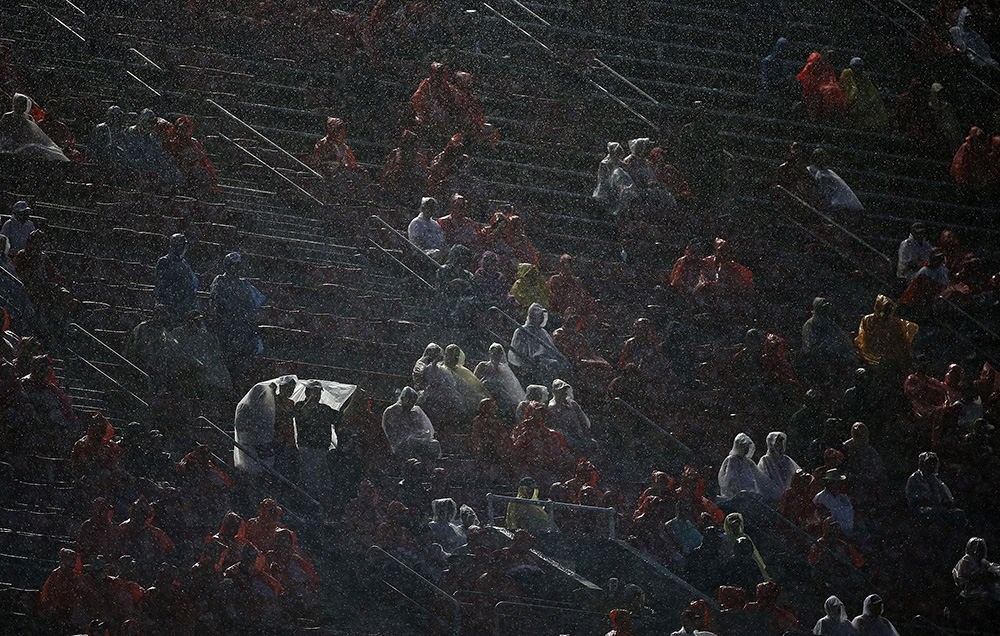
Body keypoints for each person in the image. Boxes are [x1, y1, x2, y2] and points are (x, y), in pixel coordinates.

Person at [209, 252, 265, 364]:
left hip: (241, 327)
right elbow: (216, 300)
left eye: (238, 266)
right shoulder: (220, 280)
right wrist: (231, 308)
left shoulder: (244, 283)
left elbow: (254, 303)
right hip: (226, 325)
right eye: (234, 265)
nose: (236, 269)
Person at [509, 303, 572, 386]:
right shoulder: (521, 331)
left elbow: (551, 349)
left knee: (560, 364)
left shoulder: (542, 332)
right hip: (530, 363)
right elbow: (517, 353)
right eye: (540, 317)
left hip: (543, 360)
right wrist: (533, 358)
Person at [39, 548, 100, 630]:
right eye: (69, 560)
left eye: (73, 560)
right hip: (60, 612)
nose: (73, 562)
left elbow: (86, 592)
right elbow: (50, 595)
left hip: (74, 611)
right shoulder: (57, 574)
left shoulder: (77, 576)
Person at [295, 380, 339, 488]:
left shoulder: (325, 409)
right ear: (307, 392)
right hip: (307, 449)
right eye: (314, 392)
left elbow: (341, 418)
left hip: (323, 450)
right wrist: (311, 400)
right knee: (309, 481)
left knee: (323, 483)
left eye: (319, 393)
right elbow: (302, 416)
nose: (317, 396)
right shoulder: (299, 405)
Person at [854, 295, 917, 369]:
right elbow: (864, 340)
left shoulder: (896, 324)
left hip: (890, 360)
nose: (885, 315)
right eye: (885, 311)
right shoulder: (869, 320)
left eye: (889, 311)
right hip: (873, 358)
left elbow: (903, 342)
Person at [0, 92, 68, 161]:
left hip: (25, 143)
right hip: (11, 143)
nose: (23, 107)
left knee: (42, 149)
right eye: (21, 104)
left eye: (24, 104)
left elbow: (34, 133)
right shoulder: (8, 116)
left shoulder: (29, 118)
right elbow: (4, 132)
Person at [510, 401, 573, 474]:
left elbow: (553, 448)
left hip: (546, 464)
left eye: (542, 412)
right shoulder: (522, 429)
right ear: (532, 413)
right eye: (538, 412)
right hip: (530, 465)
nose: (540, 415)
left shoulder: (545, 432)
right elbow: (516, 448)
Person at [382, 386, 441, 459]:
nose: (411, 405)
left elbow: (421, 427)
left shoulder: (415, 412)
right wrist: (409, 437)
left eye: (413, 403)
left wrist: (423, 434)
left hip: (416, 440)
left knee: (434, 444)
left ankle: (431, 462)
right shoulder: (391, 412)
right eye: (409, 402)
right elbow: (393, 434)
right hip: (402, 444)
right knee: (414, 444)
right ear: (403, 399)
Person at [801, 297, 856, 373]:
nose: (826, 308)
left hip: (835, 356)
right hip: (822, 359)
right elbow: (810, 347)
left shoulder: (829, 322)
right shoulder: (810, 324)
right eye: (823, 306)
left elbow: (840, 337)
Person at [155, 233, 199, 327]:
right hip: (172, 306)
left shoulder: (184, 263)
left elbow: (193, 283)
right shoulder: (164, 261)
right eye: (182, 246)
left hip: (185, 306)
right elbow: (162, 286)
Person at [165, 116, 217, 191]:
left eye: (187, 128)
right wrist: (188, 167)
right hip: (185, 175)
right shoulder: (173, 143)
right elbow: (175, 162)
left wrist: (212, 176)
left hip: (198, 173)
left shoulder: (194, 143)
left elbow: (204, 161)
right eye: (182, 129)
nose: (184, 131)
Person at [474, 343, 526, 419]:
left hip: (502, 398)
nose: (496, 356)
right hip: (486, 395)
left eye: (498, 354)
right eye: (494, 354)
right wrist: (485, 384)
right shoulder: (483, 366)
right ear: (490, 354)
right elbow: (475, 380)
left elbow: (511, 386)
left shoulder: (504, 369)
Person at [411, 62, 464, 135]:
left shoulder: (447, 87)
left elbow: (457, 100)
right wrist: (425, 114)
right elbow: (416, 99)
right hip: (428, 119)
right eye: (438, 73)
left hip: (444, 121)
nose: (440, 76)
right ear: (433, 73)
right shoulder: (427, 84)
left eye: (442, 73)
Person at [442, 344, 489, 423]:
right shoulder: (443, 370)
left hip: (471, 397)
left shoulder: (462, 370)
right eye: (453, 356)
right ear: (446, 355)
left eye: (457, 356)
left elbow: (476, 384)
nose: (456, 359)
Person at [546, 379, 595, 451]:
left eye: (565, 391)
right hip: (564, 439)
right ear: (555, 392)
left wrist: (586, 435)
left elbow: (583, 421)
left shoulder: (572, 404)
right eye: (561, 391)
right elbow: (552, 425)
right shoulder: (551, 406)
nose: (564, 393)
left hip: (579, 435)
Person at [808, 148, 864, 213]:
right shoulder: (827, 172)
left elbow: (824, 198)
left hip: (847, 208)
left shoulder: (822, 175)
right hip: (852, 206)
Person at [838, 58, 887, 130]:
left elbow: (872, 91)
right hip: (849, 100)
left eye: (859, 67)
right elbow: (850, 91)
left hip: (860, 102)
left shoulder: (863, 76)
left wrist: (870, 100)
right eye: (856, 66)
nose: (858, 69)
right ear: (851, 67)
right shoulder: (847, 73)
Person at [382, 128, 428, 204]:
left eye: (411, 143)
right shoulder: (395, 154)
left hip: (413, 189)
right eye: (405, 142)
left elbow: (423, 176)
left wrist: (412, 177)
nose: (407, 145)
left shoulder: (419, 158)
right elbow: (386, 172)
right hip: (395, 188)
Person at [310, 116, 363, 181]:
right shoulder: (323, 144)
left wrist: (355, 168)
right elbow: (320, 164)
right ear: (332, 130)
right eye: (338, 129)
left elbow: (351, 163)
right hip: (331, 177)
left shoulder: (343, 146)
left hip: (343, 175)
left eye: (342, 129)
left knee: (362, 173)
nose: (341, 132)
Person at [796, 52, 846, 119]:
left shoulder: (827, 67)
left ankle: (830, 114)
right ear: (822, 55)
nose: (827, 58)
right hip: (812, 88)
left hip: (822, 87)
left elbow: (831, 79)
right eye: (826, 56)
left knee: (834, 90)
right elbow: (804, 77)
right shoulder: (811, 65)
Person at [548, 254, 599, 318]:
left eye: (569, 265)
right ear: (560, 266)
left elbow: (584, 297)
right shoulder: (555, 280)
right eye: (564, 265)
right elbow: (551, 297)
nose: (567, 268)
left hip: (574, 315)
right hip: (558, 315)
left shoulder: (576, 282)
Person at [723, 512, 771, 581]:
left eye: (737, 523)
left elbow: (755, 555)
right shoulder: (725, 539)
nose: (735, 526)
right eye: (733, 524)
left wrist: (763, 571)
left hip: (748, 567)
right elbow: (725, 556)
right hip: (734, 569)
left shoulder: (744, 537)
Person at [757, 431, 801, 502]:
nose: (780, 444)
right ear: (771, 442)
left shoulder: (786, 460)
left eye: (781, 441)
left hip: (788, 499)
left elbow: (795, 475)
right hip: (772, 499)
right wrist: (777, 493)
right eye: (778, 441)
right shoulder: (765, 460)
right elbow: (764, 481)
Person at [813, 469, 859, 537]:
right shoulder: (819, 498)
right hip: (834, 536)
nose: (836, 484)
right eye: (833, 482)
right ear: (827, 482)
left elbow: (851, 514)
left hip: (851, 534)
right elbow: (820, 520)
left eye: (838, 482)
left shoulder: (843, 497)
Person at [719, 433, 764, 498]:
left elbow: (758, 476)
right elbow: (730, 478)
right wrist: (738, 491)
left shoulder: (748, 462)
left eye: (747, 447)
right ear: (738, 446)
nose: (747, 449)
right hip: (736, 495)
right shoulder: (732, 460)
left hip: (749, 494)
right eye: (744, 447)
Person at [951, 126, 993, 191]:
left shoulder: (983, 148)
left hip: (978, 178)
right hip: (968, 178)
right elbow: (959, 163)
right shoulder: (966, 147)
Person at [76, 497, 118, 562]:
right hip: (91, 561)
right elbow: (83, 547)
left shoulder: (110, 526)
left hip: (107, 560)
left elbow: (113, 545)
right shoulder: (88, 525)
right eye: (105, 510)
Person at [760, 37, 799, 104]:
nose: (785, 51)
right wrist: (785, 80)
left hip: (783, 88)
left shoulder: (787, 63)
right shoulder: (768, 61)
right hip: (771, 88)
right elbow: (768, 80)